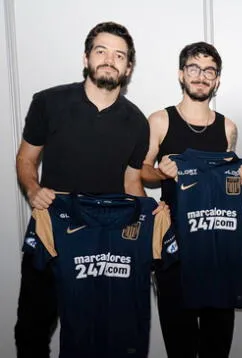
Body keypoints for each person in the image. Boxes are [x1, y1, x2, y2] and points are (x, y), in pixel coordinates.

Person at [14, 21, 153, 358]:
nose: (110, 59)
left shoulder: (137, 122)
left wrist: (150, 217)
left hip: (104, 240)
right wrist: (33, 190)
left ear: (128, 67)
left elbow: (131, 183)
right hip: (52, 229)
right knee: (32, 328)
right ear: (86, 58)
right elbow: (26, 158)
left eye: (119, 55)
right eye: (101, 51)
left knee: (100, 330)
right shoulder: (48, 103)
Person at [141, 41, 242, 358]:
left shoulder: (228, 128)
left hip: (217, 247)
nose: (201, 76)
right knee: (180, 347)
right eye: (194, 68)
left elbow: (227, 187)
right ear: (182, 75)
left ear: (217, 79)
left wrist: (241, 179)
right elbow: (142, 172)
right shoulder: (160, 120)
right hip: (174, 249)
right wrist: (161, 173)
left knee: (216, 347)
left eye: (209, 71)